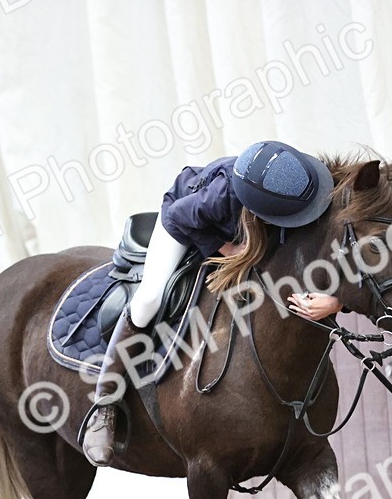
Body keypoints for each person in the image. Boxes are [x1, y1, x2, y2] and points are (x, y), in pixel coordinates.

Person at [82, 140, 342, 467]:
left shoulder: (306, 186)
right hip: (185, 219)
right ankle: (104, 403)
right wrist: (228, 250)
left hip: (249, 221)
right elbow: (179, 218)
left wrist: (336, 302)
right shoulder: (222, 198)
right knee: (149, 299)